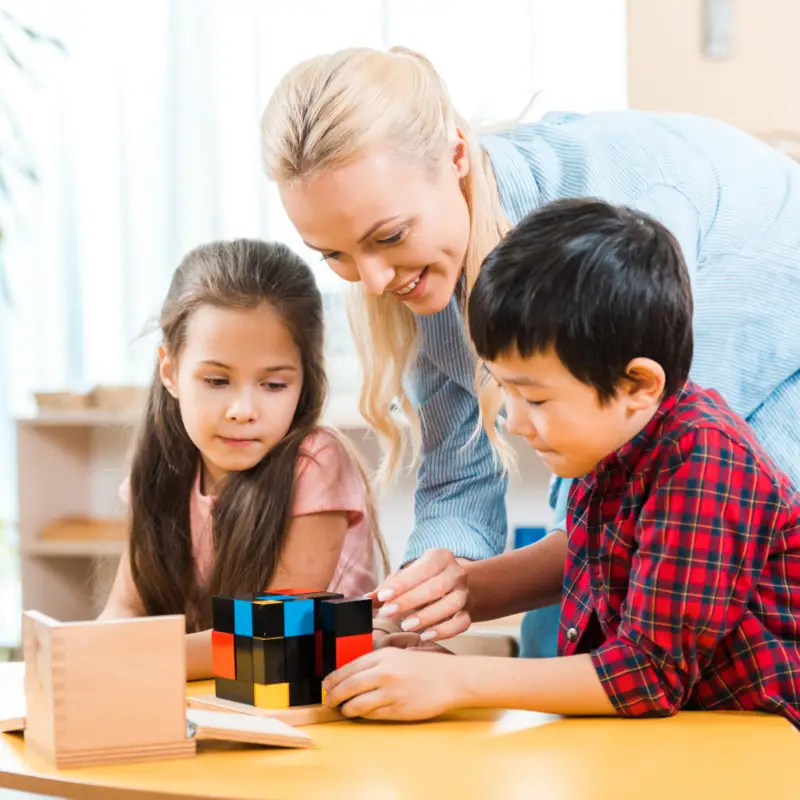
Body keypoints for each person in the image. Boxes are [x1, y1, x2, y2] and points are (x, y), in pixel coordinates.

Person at [260, 46, 800, 657]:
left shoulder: (621, 230)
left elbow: (649, 494)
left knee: (627, 636)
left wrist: (473, 600)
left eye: (388, 237)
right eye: (334, 255)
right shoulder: (420, 277)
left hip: (782, 362)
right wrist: (421, 607)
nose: (375, 280)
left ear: (456, 155)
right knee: (555, 633)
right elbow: (457, 480)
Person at [320, 199, 800, 726]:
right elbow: (590, 548)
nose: (515, 422)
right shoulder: (612, 435)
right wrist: (465, 590)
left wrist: (458, 681)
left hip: (758, 744)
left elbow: (646, 676)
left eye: (537, 398)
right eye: (504, 388)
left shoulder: (705, 457)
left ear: (637, 385)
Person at [99, 239, 387, 679]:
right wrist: (91, 655)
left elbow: (272, 639)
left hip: (319, 704)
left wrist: (129, 655)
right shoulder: (161, 471)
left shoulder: (315, 463)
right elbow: (125, 606)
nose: (242, 409)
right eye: (217, 380)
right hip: (213, 697)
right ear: (170, 371)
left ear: (305, 381)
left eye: (273, 386)